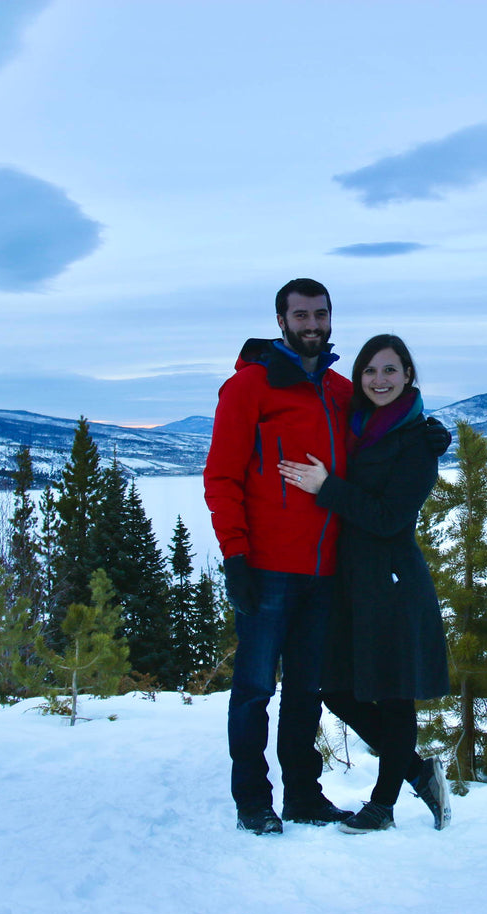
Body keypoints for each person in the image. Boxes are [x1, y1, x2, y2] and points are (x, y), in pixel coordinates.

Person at [279, 334, 453, 834]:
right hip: (348, 580)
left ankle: (383, 804)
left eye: (390, 371)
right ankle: (419, 770)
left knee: (395, 695)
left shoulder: (417, 441)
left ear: (407, 377)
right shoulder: (354, 423)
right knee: (337, 690)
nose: (379, 380)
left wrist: (325, 488)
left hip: (393, 581)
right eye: (370, 371)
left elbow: (389, 517)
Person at [203, 278, 356, 834]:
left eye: (320, 314)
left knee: (305, 694)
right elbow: (221, 477)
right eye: (301, 315)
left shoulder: (340, 392)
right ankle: (252, 800)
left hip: (325, 572)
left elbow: (379, 439)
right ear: (282, 321)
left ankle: (303, 795)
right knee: (253, 692)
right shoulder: (250, 389)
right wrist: (236, 557)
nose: (312, 324)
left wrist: (421, 436)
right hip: (266, 571)